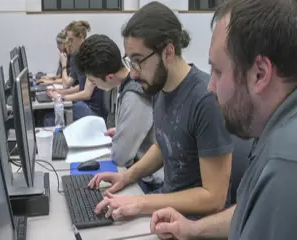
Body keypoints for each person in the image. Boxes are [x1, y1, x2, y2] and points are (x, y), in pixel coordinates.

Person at [149, 0, 297, 239]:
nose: (211, 87)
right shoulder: (272, 128)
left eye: (217, 71)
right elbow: (250, 210)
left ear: (260, 74)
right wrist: (193, 229)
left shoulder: (285, 165)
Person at [88, 1, 233, 220]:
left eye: (138, 61)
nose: (133, 74)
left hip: (193, 224)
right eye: (130, 62)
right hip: (167, 211)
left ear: (168, 52)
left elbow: (214, 198)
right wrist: (127, 177)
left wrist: (140, 203)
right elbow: (164, 144)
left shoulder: (205, 99)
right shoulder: (159, 87)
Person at [74, 34, 163, 191]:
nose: (93, 86)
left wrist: (123, 135)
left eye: (94, 82)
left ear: (109, 77)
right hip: (137, 170)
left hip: (150, 181)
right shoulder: (123, 87)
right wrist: (122, 131)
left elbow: (121, 157)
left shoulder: (133, 96)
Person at [47, 20, 106, 122]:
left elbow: (87, 94)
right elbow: (81, 87)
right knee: (49, 115)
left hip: (91, 109)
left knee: (49, 119)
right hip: (83, 105)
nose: (68, 43)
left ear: (80, 37)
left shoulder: (91, 56)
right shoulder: (77, 56)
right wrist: (61, 92)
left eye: (71, 40)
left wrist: (60, 97)